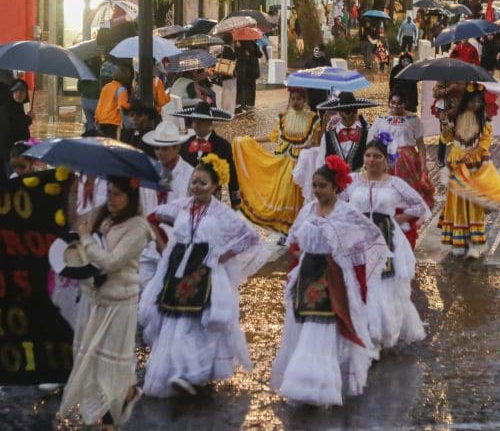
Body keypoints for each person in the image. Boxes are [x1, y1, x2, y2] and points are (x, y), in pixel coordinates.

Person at [139, 155, 262, 397]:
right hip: (178, 270)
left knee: (198, 321)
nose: (196, 187)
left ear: (215, 186)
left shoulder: (222, 213)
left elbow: (250, 236)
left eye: (202, 183)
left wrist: (221, 256)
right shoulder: (183, 206)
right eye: (194, 182)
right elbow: (153, 217)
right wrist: (165, 247)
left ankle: (195, 370)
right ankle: (175, 370)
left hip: (205, 274)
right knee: (175, 320)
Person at [270, 156, 388, 406]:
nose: (317, 191)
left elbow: (373, 237)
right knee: (306, 327)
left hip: (332, 279)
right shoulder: (308, 210)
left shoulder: (346, 213)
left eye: (322, 185)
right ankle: (304, 383)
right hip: (308, 276)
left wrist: (347, 262)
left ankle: (319, 387)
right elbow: (293, 239)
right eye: (314, 185)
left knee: (322, 329)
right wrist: (300, 255)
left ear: (336, 187)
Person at [59, 177, 152, 428]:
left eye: (117, 194)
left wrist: (87, 239)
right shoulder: (103, 214)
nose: (111, 198)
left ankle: (109, 420)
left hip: (120, 304)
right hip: (94, 299)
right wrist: (71, 192)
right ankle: (125, 396)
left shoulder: (138, 228)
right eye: (109, 192)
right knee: (93, 359)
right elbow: (76, 224)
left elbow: (112, 262)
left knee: (112, 363)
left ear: (130, 198)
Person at [340, 138, 427, 353]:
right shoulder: (352, 181)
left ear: (386, 160)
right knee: (359, 284)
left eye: (377, 156)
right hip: (357, 240)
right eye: (368, 155)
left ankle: (379, 334)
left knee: (381, 286)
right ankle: (363, 332)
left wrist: (397, 221)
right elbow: (337, 203)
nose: (372, 160)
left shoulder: (395, 184)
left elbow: (420, 206)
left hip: (386, 239)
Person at [440, 84, 500, 257]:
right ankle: (459, 240)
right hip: (455, 162)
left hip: (474, 165)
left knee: (475, 202)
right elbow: (446, 138)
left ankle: (475, 242)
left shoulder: (485, 121)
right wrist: (445, 123)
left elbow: (484, 145)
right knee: (457, 203)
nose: (476, 104)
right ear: (466, 101)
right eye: (472, 101)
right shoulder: (455, 116)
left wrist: (468, 156)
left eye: (478, 102)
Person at [233, 88, 322, 235]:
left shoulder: (313, 118)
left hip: (303, 162)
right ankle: (285, 229)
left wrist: (309, 146)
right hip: (284, 162)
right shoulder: (283, 117)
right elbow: (272, 137)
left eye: (298, 99)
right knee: (284, 195)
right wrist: (251, 140)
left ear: (304, 100)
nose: (295, 102)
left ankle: (298, 227)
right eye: (292, 99)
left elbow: (317, 143)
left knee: (300, 195)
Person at [370, 91, 435, 248]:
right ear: (388, 103)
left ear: (405, 103)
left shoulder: (413, 119)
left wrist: (423, 164)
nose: (395, 106)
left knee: (408, 196)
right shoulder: (381, 121)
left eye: (399, 103)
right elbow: (373, 142)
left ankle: (408, 229)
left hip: (409, 163)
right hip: (387, 163)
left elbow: (420, 144)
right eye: (393, 103)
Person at [139, 120, 195, 290]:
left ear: (177, 148)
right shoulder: (147, 172)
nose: (160, 153)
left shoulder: (190, 174)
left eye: (164, 148)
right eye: (157, 148)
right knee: (144, 296)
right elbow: (142, 206)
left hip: (175, 246)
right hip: (147, 248)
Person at [175, 104, 239, 207]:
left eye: (200, 121)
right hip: (188, 198)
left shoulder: (223, 145)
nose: (195, 125)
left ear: (209, 123)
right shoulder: (185, 144)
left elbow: (232, 175)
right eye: (194, 121)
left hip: (213, 199)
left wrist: (236, 202)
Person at [319, 92, 377, 172]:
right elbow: (320, 164)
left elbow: (372, 162)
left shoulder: (366, 135)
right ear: (339, 112)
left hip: (359, 182)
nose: (352, 114)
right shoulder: (327, 137)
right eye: (347, 111)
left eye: (354, 110)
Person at [95, 64, 132, 139]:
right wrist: (131, 105)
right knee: (112, 144)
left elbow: (100, 103)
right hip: (112, 121)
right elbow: (123, 106)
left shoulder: (106, 86)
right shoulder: (122, 89)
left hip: (101, 120)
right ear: (126, 78)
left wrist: (96, 119)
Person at [234, 39, 261, 112]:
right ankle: (248, 104)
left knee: (245, 87)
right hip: (249, 69)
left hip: (245, 70)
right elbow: (259, 54)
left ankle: (244, 104)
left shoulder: (239, 43)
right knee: (250, 87)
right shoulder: (252, 43)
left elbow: (259, 54)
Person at [303, 45, 333, 111]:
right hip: (311, 92)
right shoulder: (309, 62)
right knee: (313, 113)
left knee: (323, 112)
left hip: (323, 93)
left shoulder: (327, 62)